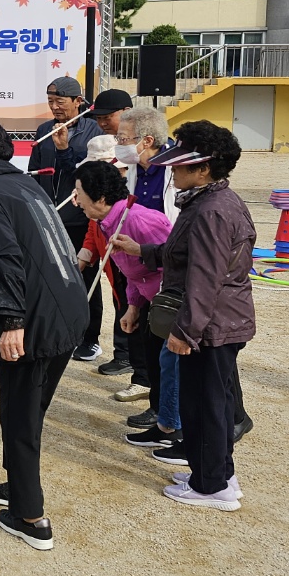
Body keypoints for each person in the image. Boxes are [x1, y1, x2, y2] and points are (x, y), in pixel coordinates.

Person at [0, 115, 88, 552]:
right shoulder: (24, 183)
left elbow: (0, 258)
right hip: (67, 309)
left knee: (21, 416)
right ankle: (16, 483)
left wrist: (11, 321)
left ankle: (31, 517)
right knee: (28, 410)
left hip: (33, 319)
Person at [112, 122, 256, 511]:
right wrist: (143, 250)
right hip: (221, 321)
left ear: (204, 169)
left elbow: (205, 277)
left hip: (210, 324)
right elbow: (185, 255)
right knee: (215, 402)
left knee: (203, 403)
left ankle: (212, 487)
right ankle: (215, 472)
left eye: (179, 167)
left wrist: (186, 331)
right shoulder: (215, 202)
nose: (172, 173)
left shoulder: (210, 211)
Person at [73, 161, 176, 450]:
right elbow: (133, 270)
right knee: (155, 361)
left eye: (80, 191)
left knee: (172, 366)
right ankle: (161, 419)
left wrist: (165, 306)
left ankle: (173, 427)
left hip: (172, 304)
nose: (76, 198)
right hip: (150, 302)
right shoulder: (104, 222)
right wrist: (133, 306)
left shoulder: (141, 220)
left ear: (102, 199)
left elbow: (176, 263)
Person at [114, 107, 190, 432]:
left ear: (146, 140)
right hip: (144, 269)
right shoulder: (135, 167)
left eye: (123, 139)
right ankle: (159, 410)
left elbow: (179, 229)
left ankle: (172, 420)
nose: (118, 144)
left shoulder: (178, 170)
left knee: (170, 350)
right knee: (149, 340)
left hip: (173, 271)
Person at [27, 76, 102, 362]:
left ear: (77, 102)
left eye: (60, 101)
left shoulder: (93, 131)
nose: (54, 107)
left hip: (80, 218)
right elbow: (35, 171)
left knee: (85, 279)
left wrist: (63, 149)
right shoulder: (44, 129)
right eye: (50, 102)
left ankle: (90, 338)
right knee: (53, 276)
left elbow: (87, 174)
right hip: (49, 215)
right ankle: (61, 332)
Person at [74, 135, 135, 389]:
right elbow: (93, 230)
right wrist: (84, 257)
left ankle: (136, 367)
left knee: (133, 310)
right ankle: (124, 355)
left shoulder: (131, 196)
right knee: (121, 305)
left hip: (134, 269)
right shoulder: (98, 198)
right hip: (113, 267)